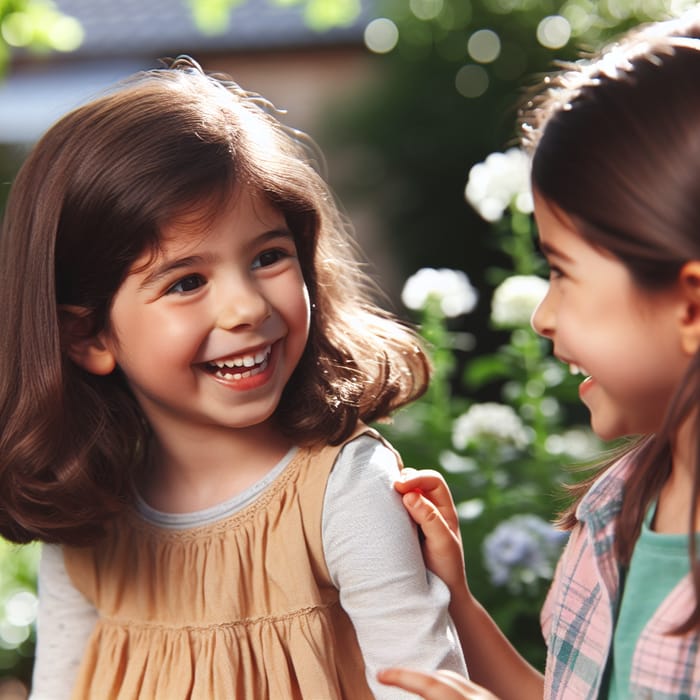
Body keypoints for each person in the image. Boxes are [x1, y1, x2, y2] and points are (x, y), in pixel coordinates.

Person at [0, 57, 468, 698]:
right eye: (186, 281)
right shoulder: (88, 512)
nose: (246, 307)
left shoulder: (344, 493)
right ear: (89, 337)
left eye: (268, 257)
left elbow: (423, 688)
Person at [378, 9, 700, 700]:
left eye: (562, 271)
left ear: (691, 306)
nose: (544, 316)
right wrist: (454, 599)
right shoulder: (618, 510)